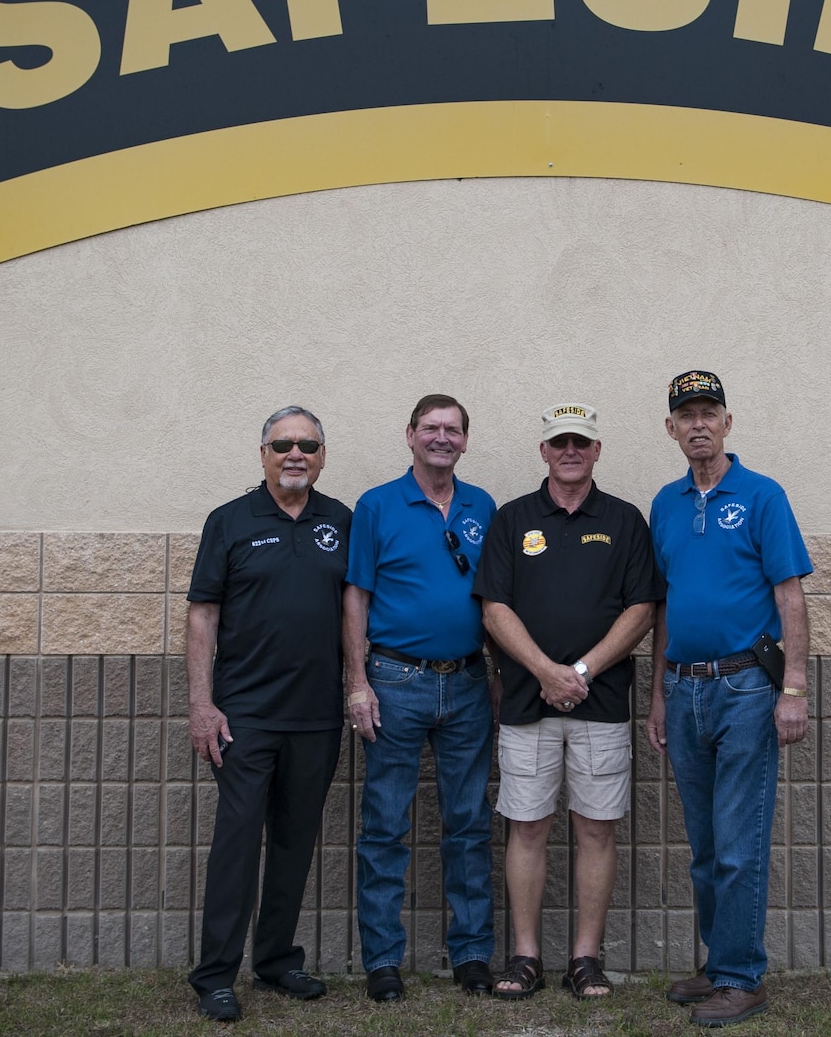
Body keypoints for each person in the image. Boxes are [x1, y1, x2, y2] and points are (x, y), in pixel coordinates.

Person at [473, 402, 660, 1001]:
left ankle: (585, 959)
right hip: (528, 705)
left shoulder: (626, 521)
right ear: (544, 451)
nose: (571, 451)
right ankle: (525, 957)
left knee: (597, 831)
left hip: (601, 704)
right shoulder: (512, 520)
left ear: (598, 450)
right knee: (526, 828)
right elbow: (494, 608)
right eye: (560, 443)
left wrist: (579, 671)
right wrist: (545, 671)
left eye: (582, 442)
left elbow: (642, 609)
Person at [645, 371, 813, 1028]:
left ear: (728, 421)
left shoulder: (763, 496)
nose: (698, 424)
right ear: (671, 429)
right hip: (684, 688)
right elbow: (665, 604)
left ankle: (743, 976)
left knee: (739, 839)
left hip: (746, 687)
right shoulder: (665, 502)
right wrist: (659, 691)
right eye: (686, 415)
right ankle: (720, 964)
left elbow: (790, 596)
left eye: (709, 411)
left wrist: (793, 687)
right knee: (707, 844)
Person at [184, 407, 352, 1022]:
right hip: (243, 717)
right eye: (282, 444)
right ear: (262, 454)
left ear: (323, 455)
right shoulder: (228, 522)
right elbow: (202, 615)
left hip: (316, 716)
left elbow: (353, 611)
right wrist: (202, 706)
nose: (295, 454)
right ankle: (215, 975)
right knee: (237, 841)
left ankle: (277, 960)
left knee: (293, 842)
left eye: (308, 444)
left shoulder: (341, 522)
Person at [342, 393, 500, 1001]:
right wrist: (357, 682)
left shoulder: (482, 506)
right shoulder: (378, 506)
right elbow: (355, 596)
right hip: (394, 682)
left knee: (468, 825)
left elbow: (494, 600)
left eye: (452, 430)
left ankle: (471, 955)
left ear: (465, 440)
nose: (441, 438)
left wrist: (495, 673)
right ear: (409, 435)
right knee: (384, 827)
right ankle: (383, 961)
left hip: (465, 684)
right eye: (430, 428)